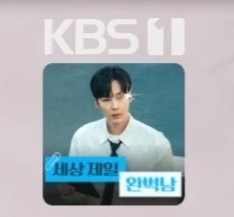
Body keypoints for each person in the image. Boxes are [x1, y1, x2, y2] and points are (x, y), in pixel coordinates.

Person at [56, 65, 178, 205]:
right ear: (97, 103)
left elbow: (167, 200)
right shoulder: (82, 137)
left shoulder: (156, 142)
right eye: (106, 100)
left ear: (130, 97)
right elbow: (76, 196)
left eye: (120, 97)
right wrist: (69, 192)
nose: (115, 106)